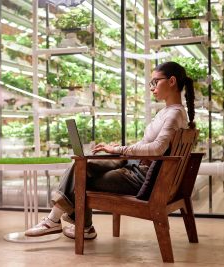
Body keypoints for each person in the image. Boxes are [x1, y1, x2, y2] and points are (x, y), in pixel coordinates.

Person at [25, 61, 196, 239]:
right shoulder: (167, 112)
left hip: (141, 176)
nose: (152, 87)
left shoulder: (174, 113)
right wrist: (118, 149)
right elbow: (149, 143)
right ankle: (79, 226)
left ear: (172, 81)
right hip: (139, 166)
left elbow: (157, 148)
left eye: (155, 82)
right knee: (83, 165)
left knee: (82, 174)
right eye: (150, 83)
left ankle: (60, 222)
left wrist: (120, 149)